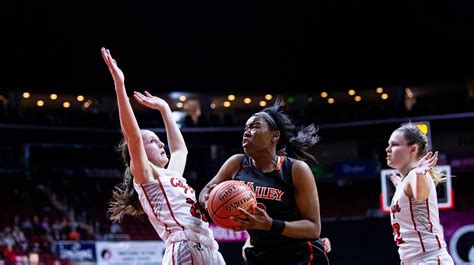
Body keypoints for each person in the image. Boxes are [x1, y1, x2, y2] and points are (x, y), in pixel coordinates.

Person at [101, 47, 225, 265]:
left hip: (209, 247)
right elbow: (132, 135)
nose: (161, 143)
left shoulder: (171, 176)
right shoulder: (146, 177)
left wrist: (166, 110)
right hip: (183, 246)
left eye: (159, 139)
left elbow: (180, 150)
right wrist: (119, 85)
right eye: (152, 141)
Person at [199, 99, 329, 264]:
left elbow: (313, 228)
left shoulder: (296, 169)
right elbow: (206, 191)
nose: (246, 132)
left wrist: (270, 225)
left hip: (299, 254)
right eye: (245, 128)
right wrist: (207, 198)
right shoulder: (237, 163)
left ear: (275, 136)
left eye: (254, 127)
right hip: (261, 252)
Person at [386, 124, 453, 264]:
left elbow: (420, 195)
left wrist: (419, 175)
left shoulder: (415, 175)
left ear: (413, 149)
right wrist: (401, 187)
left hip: (429, 259)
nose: (388, 149)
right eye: (388, 145)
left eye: (394, 145)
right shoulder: (406, 182)